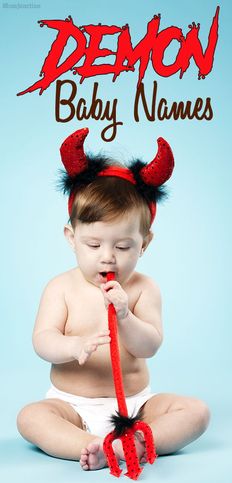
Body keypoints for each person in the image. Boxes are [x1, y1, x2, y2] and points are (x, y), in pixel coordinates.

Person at [17, 128, 210, 472]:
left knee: (197, 412)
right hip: (71, 406)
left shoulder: (143, 289)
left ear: (144, 244)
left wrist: (126, 316)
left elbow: (149, 346)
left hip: (136, 406)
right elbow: (42, 340)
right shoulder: (60, 287)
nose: (108, 258)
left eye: (123, 247)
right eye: (94, 245)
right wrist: (72, 346)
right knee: (31, 418)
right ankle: (91, 445)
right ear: (71, 238)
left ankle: (131, 441)